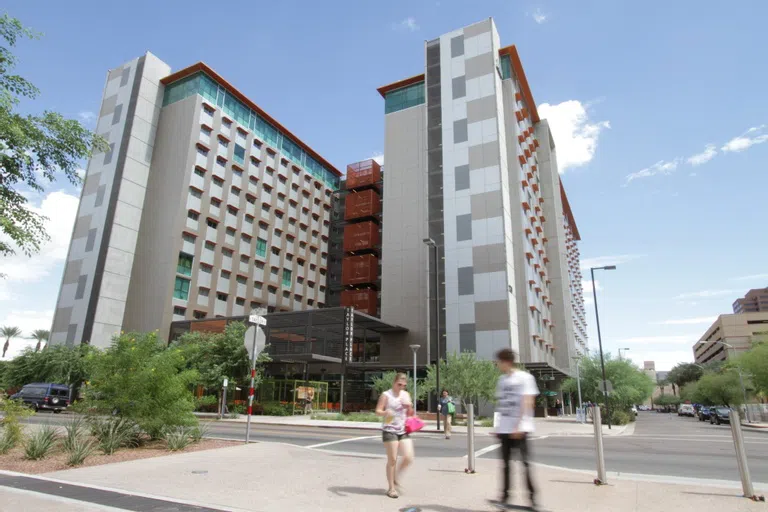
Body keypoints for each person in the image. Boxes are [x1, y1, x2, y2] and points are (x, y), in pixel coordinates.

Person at [491, 349, 539, 511]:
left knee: (524, 465)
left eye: (499, 361)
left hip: (520, 429)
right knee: (505, 465)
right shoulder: (501, 380)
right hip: (504, 429)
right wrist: (497, 427)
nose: (497, 364)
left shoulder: (525, 378)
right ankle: (504, 496)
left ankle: (533, 499)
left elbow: (528, 402)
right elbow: (501, 405)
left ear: (507, 361)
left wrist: (519, 426)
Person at [375, 372, 414, 499]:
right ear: (394, 382)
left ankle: (395, 477)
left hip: (403, 429)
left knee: (408, 457)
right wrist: (385, 412)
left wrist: (409, 407)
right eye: (399, 384)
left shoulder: (405, 394)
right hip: (389, 429)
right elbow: (378, 411)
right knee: (392, 459)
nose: (401, 387)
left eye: (403, 385)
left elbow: (410, 413)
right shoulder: (386, 395)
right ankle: (391, 488)